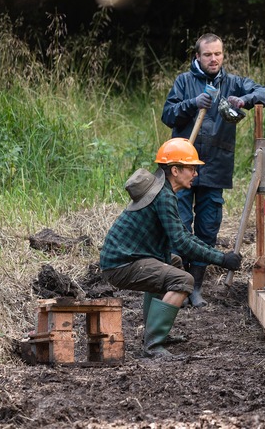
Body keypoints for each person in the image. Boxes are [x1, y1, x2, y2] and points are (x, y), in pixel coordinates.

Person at [99, 138, 243, 359]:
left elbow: (182, 237)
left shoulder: (163, 190)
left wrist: (219, 256)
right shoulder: (163, 196)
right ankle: (153, 345)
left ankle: (153, 334)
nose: (195, 174)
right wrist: (221, 259)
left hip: (126, 259)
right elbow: (183, 242)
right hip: (121, 265)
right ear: (175, 170)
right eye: (191, 168)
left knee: (173, 262)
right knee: (184, 281)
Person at [161, 33, 265, 308]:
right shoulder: (184, 82)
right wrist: (192, 104)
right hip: (184, 167)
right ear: (197, 56)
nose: (214, 59)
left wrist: (244, 100)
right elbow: (168, 115)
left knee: (208, 227)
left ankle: (196, 286)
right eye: (208, 54)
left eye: (218, 54)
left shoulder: (232, 82)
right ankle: (180, 283)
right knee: (180, 223)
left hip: (215, 166)